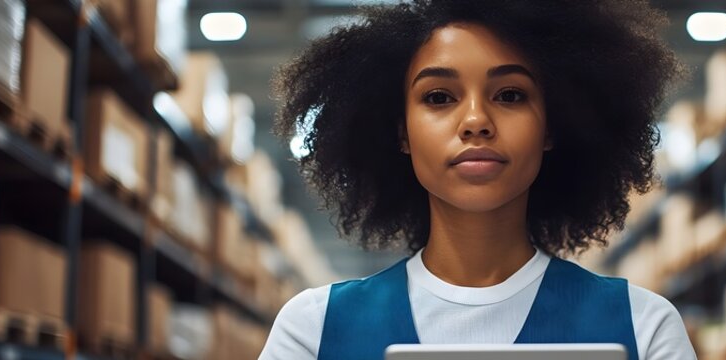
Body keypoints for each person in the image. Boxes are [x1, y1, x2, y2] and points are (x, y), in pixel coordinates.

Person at [260, 0, 693, 359]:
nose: (475, 121)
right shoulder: (312, 330)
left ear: (551, 128)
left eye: (510, 95)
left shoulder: (644, 328)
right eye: (438, 97)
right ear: (401, 133)